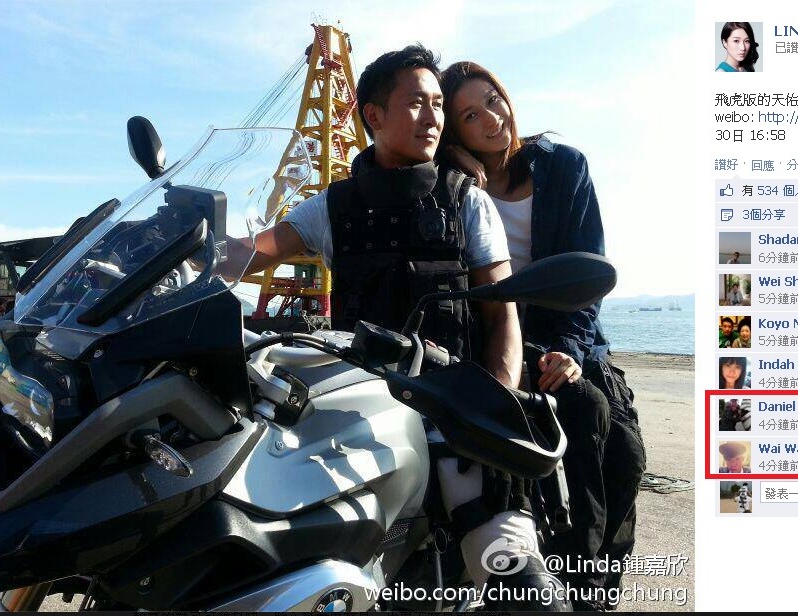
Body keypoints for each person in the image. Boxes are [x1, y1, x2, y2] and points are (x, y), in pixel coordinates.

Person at [236, 45, 562, 609]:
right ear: (373, 115)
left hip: (453, 420)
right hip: (359, 424)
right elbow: (250, 252)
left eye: (437, 104)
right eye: (416, 103)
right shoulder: (332, 207)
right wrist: (177, 244)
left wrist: (491, 414)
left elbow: (501, 313)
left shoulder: (466, 201)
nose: (432, 118)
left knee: (518, 581)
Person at [439, 60, 647, 610]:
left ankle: (596, 584)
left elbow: (585, 269)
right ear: (452, 130)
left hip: (570, 332)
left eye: (493, 100)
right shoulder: (450, 184)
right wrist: (450, 164)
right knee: (579, 420)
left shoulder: (564, 167)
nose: (491, 119)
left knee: (625, 453)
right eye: (469, 116)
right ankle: (564, 581)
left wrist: (568, 351)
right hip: (500, 338)